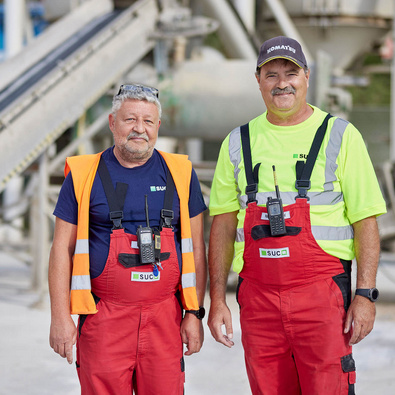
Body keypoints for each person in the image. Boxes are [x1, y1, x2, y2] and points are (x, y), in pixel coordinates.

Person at [207, 36, 386, 394]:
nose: (282, 83)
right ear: (257, 80)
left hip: (322, 299)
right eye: (271, 75)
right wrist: (216, 300)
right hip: (257, 300)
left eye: (291, 73)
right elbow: (223, 224)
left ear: (306, 76)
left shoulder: (340, 136)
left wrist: (365, 295)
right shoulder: (237, 143)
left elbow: (365, 220)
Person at [48, 83, 207, 395]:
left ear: (158, 126)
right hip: (104, 318)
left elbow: (195, 250)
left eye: (148, 121)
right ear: (112, 122)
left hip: (165, 317)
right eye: (129, 119)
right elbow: (60, 251)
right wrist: (59, 318)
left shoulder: (181, 173)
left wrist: (194, 313)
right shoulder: (83, 174)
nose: (139, 129)